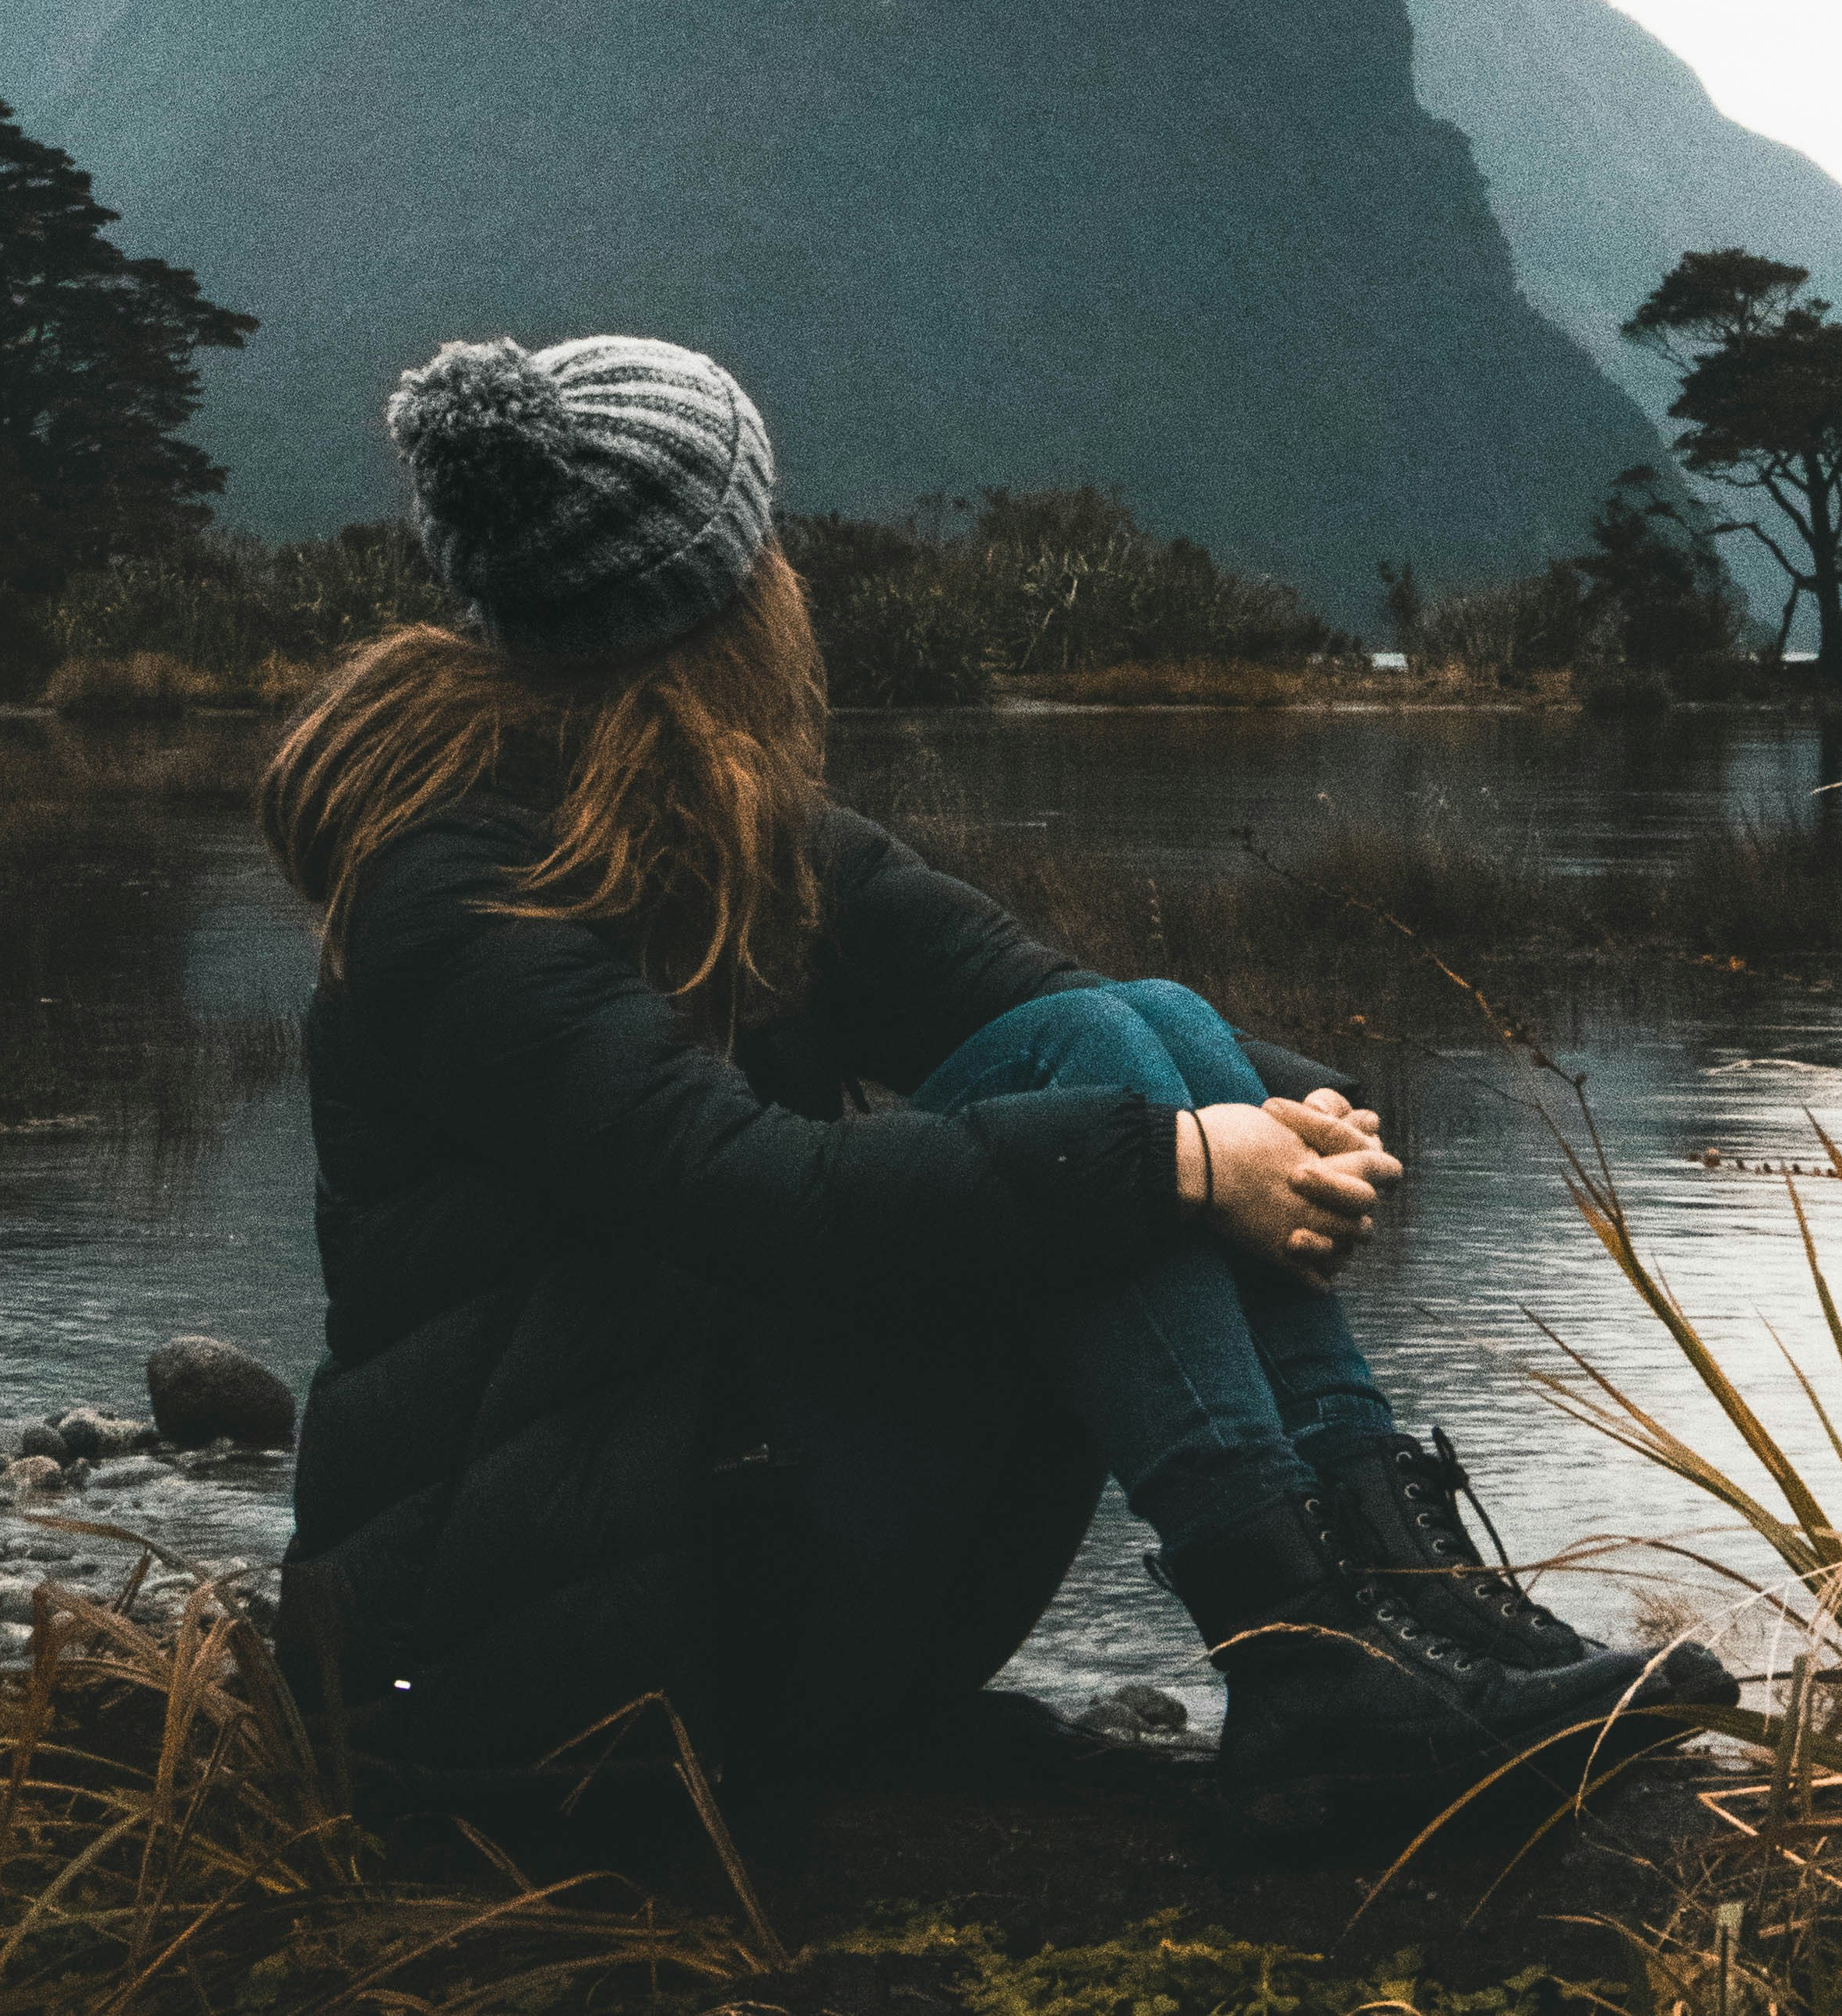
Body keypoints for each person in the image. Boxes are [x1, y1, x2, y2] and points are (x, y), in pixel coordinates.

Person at [263, 330, 1732, 1834]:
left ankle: (1413, 1613)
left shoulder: (735, 829)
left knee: (1137, 1019)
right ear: (717, 593)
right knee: (1105, 1099)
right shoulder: (452, 890)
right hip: (514, 1682)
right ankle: (1302, 1656)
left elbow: (1037, 997)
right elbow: (745, 1189)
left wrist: (1282, 1115)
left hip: (689, 1576)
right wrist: (1179, 1163)